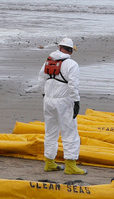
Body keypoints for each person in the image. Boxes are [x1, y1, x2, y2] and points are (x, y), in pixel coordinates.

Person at [36, 37, 86, 175]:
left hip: (48, 101)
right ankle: (70, 165)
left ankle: (49, 163)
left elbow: (41, 79)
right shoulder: (72, 64)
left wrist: (44, 94)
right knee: (70, 133)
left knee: (50, 132)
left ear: (60, 47)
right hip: (64, 101)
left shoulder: (48, 60)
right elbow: (73, 85)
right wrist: (76, 102)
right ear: (71, 50)